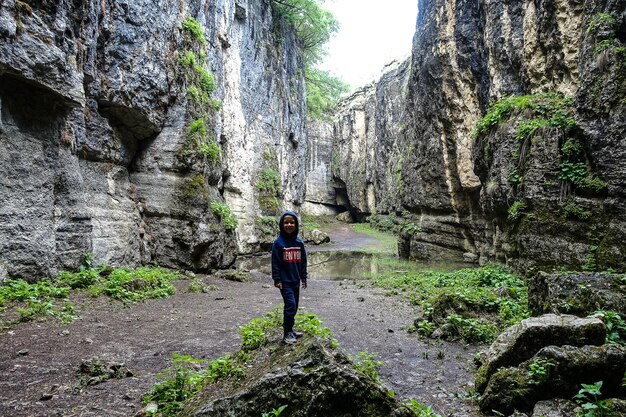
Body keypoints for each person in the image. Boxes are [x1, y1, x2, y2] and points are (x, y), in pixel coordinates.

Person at [272, 210, 308, 344]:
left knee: (295, 306)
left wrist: (303, 278)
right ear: (282, 224)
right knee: (290, 305)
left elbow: (303, 262)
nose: (289, 225)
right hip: (285, 282)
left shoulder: (299, 242)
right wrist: (277, 279)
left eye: (292, 222)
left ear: (296, 224)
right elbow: (275, 262)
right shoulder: (278, 243)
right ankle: (286, 332)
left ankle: (291, 330)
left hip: (295, 281)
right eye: (286, 222)